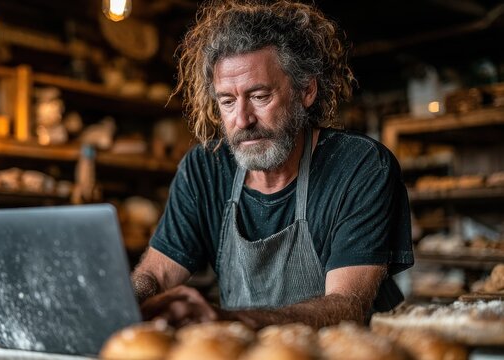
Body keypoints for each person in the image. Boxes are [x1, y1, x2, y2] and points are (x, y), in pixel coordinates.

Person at [132, 0, 413, 329]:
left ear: (306, 90)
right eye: (227, 101)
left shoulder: (359, 167)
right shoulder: (204, 169)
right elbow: (156, 273)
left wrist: (228, 320)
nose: (242, 119)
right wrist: (131, 301)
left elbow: (346, 306)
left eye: (260, 96)